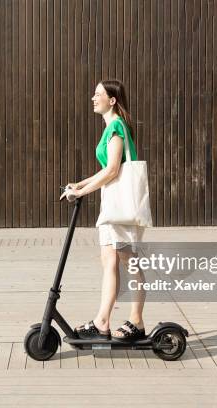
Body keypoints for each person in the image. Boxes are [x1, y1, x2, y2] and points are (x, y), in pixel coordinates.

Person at [59, 79, 147, 341]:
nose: (93, 98)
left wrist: (81, 192)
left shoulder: (117, 127)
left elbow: (112, 170)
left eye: (98, 94)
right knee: (110, 261)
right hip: (113, 204)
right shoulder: (111, 127)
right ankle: (102, 322)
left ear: (112, 101)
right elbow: (108, 167)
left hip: (123, 206)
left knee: (129, 261)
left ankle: (136, 321)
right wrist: (81, 183)